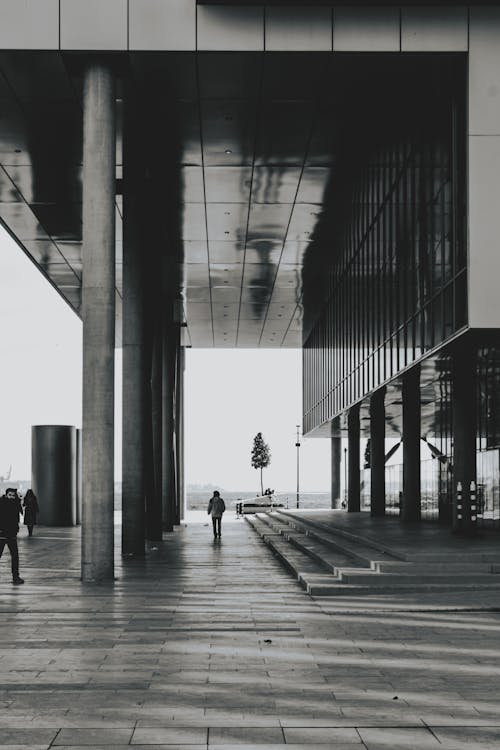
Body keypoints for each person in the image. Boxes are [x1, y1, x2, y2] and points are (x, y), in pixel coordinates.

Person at [0, 487, 24, 585]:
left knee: (15, 556)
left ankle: (16, 577)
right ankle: (16, 577)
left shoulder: (15, 505)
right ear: (6, 495)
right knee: (14, 556)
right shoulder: (1, 504)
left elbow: (16, 519)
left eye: (13, 495)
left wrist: (15, 530)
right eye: (10, 495)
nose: (11, 497)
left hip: (11, 535)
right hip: (1, 534)